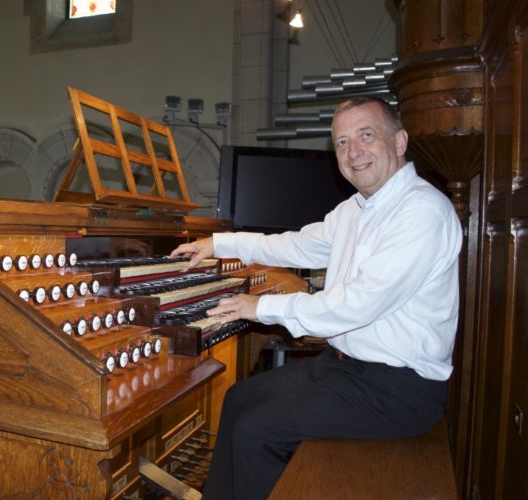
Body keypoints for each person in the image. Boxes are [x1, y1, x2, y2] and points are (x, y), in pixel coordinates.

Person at [170, 96, 462, 500]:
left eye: (365, 135)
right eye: (341, 142)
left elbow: (356, 304)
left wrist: (262, 307)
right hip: (344, 367)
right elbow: (295, 246)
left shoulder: (422, 211)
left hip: (398, 389)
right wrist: (219, 243)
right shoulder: (355, 210)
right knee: (239, 399)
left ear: (399, 141)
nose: (353, 152)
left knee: (257, 432)